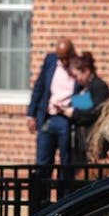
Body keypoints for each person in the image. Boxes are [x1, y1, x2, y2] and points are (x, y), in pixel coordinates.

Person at [27, 38, 77, 192]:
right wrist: (31, 114)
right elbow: (40, 87)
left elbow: (85, 95)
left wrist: (70, 106)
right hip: (47, 118)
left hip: (65, 121)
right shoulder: (50, 61)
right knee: (43, 163)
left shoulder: (78, 66)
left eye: (65, 58)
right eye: (60, 58)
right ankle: (41, 202)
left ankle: (63, 202)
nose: (62, 61)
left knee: (65, 164)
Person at [60, 52, 109, 162]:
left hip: (94, 140)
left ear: (86, 71)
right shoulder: (80, 88)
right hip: (80, 141)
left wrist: (74, 113)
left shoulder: (99, 86)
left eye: (76, 75)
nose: (76, 79)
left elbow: (96, 111)